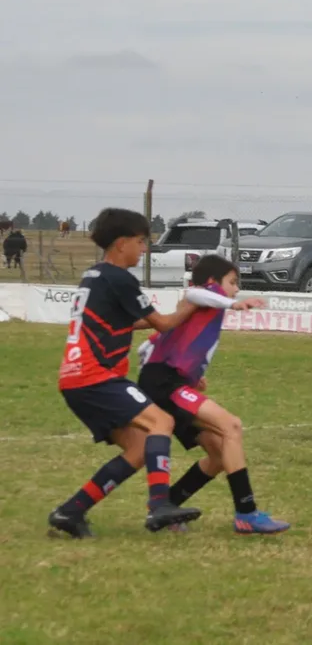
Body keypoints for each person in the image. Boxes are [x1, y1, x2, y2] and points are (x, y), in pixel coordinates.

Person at [48, 208, 202, 538]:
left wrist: (175, 315)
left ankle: (70, 512)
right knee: (162, 422)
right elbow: (162, 324)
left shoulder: (95, 274)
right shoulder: (121, 278)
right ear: (121, 244)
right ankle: (160, 505)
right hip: (96, 376)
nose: (144, 248)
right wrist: (192, 304)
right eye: (140, 241)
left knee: (141, 447)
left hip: (75, 379)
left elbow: (127, 321)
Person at [136, 254, 291, 534]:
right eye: (232, 282)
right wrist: (233, 303)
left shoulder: (196, 310)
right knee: (231, 426)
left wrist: (190, 373)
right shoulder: (199, 298)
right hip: (166, 385)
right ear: (212, 283)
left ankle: (166, 506)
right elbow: (195, 292)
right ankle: (246, 513)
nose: (236, 289)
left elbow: (144, 349)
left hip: (168, 382)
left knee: (219, 453)